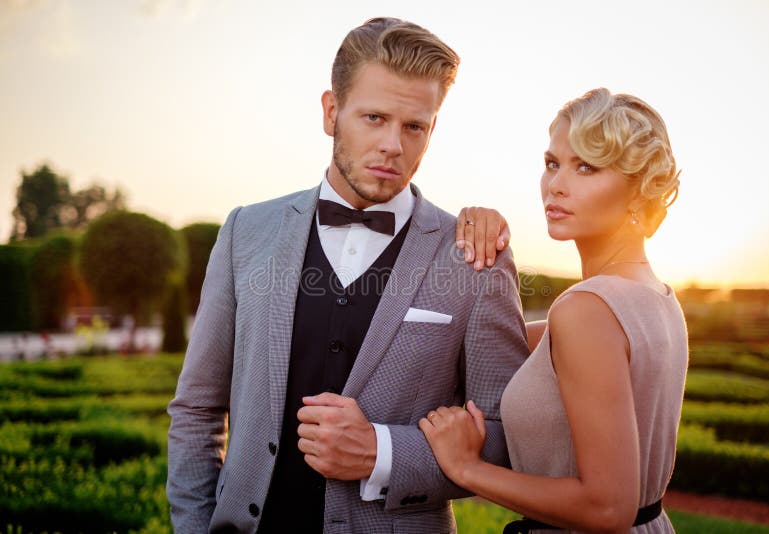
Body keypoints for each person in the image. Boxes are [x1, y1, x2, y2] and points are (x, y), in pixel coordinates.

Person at [166, 17, 530, 534]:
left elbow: (506, 439)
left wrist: (382, 453)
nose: (393, 146)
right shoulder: (246, 232)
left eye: (414, 127)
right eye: (374, 117)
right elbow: (198, 410)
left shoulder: (475, 257)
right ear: (331, 111)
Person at [421, 88, 688, 533]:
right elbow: (493, 343)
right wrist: (477, 231)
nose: (556, 184)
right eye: (553, 163)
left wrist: (467, 468)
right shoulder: (655, 296)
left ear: (639, 192)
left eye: (586, 166)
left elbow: (607, 509)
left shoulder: (587, 310)